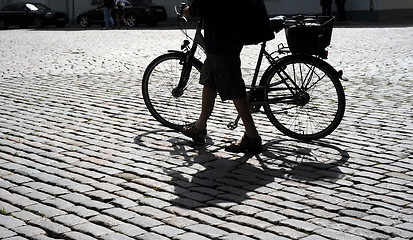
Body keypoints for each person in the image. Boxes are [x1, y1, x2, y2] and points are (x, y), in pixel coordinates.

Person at [181, 0, 275, 153]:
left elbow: (199, 5)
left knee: (232, 82)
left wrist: (189, 10)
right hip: (232, 27)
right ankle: (199, 126)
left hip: (223, 33)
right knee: (210, 78)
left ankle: (252, 136)